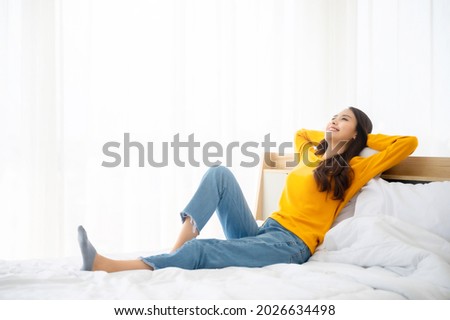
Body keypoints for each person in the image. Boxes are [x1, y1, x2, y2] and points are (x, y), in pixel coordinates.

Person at [78, 107, 418, 272]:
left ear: (356, 134)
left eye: (343, 119)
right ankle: (174, 251)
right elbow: (301, 132)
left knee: (206, 251)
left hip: (291, 245)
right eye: (333, 116)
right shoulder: (308, 154)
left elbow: (407, 143)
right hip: (265, 230)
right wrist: (331, 138)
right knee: (219, 173)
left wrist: (359, 140)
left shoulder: (355, 168)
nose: (333, 120)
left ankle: (109, 265)